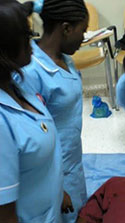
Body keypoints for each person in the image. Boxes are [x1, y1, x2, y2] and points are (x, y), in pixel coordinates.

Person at [16, 0, 89, 222]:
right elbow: (31, 141)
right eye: (82, 31)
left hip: (71, 162)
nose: (84, 38)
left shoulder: (65, 60)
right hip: (49, 173)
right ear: (66, 28)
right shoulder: (32, 72)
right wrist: (58, 189)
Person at [0, 0, 63, 222]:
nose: (33, 41)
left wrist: (58, 190)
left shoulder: (19, 84)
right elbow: (4, 214)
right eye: (27, 35)